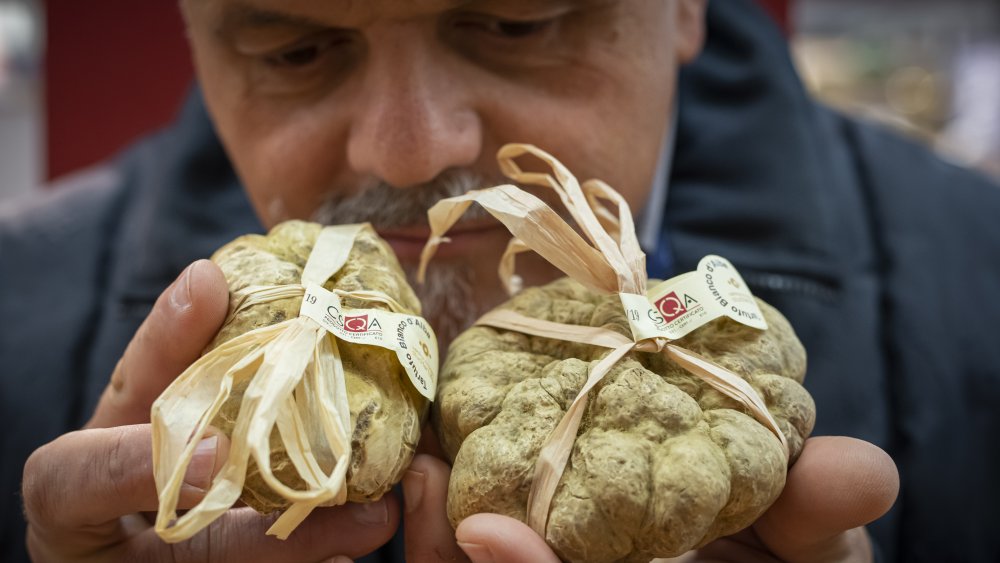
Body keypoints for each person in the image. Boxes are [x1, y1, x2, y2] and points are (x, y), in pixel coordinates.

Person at [3, 0, 999, 560]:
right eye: (293, 49)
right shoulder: (16, 325)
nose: (406, 153)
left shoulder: (981, 298)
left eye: (518, 20)